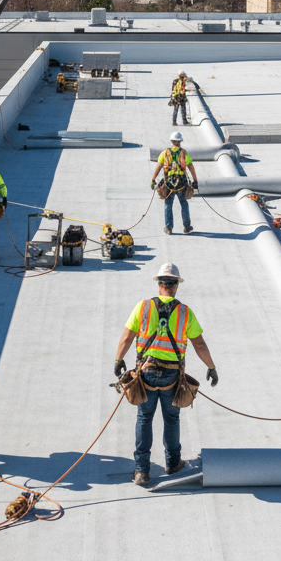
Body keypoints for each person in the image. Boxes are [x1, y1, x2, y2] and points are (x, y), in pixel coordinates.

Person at [113, 262, 218, 484]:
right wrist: (211, 367)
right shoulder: (184, 312)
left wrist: (118, 360)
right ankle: (173, 463)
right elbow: (199, 344)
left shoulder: (142, 307)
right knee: (172, 418)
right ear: (176, 285)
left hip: (146, 374)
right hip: (172, 376)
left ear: (160, 284)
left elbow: (127, 337)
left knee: (144, 418)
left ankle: (141, 470)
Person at [151, 131, 198, 235]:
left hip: (168, 184)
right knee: (184, 204)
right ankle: (187, 227)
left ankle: (168, 228)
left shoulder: (165, 153)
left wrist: (153, 179)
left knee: (168, 205)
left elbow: (158, 166)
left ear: (172, 141)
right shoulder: (184, 153)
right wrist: (195, 180)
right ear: (180, 141)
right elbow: (191, 166)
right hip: (181, 184)